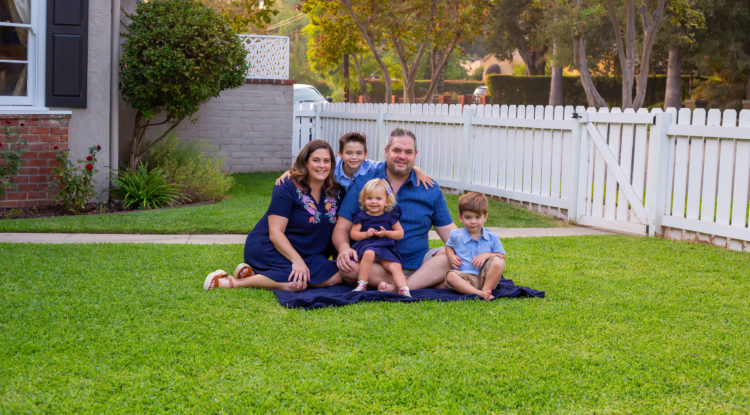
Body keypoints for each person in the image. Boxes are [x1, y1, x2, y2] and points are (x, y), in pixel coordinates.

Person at [203, 140, 343, 291]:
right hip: (270, 247)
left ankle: (259, 275)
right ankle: (234, 282)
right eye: (316, 160)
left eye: (326, 161)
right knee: (295, 285)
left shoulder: (337, 192)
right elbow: (275, 233)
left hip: (309, 253)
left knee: (337, 277)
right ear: (306, 162)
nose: (322, 165)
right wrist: (297, 261)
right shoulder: (286, 186)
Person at [333, 127, 457, 292]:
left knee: (448, 257)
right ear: (386, 151)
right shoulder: (364, 182)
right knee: (348, 265)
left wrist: (477, 248)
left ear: (415, 155)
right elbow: (341, 228)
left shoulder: (429, 188)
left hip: (418, 263)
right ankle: (417, 283)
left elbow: (449, 232)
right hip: (375, 264)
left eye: (408, 152)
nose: (402, 156)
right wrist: (343, 248)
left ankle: (401, 286)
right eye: (397, 150)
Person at [276, 132, 433, 191]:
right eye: (348, 153)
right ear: (340, 154)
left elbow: (394, 163)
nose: (354, 157)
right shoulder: (334, 166)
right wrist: (288, 172)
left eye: (358, 153)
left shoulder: (370, 166)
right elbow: (308, 166)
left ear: (365, 155)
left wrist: (417, 170)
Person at [350, 178, 410, 296]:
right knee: (369, 253)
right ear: (363, 200)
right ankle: (361, 284)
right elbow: (353, 234)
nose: (373, 202)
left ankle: (404, 289)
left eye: (378, 198)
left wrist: (386, 233)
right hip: (368, 245)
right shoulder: (361, 216)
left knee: (395, 266)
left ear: (387, 201)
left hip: (385, 247)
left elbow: (400, 234)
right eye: (369, 198)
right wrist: (365, 234)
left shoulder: (390, 216)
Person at [444, 192, 506, 301]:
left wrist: (487, 255)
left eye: (477, 217)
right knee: (450, 276)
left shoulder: (492, 237)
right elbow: (448, 246)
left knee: (498, 262)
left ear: (485, 217)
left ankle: (486, 289)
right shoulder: (456, 235)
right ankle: (480, 293)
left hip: (485, 277)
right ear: (461, 218)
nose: (473, 222)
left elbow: (501, 256)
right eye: (468, 217)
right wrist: (451, 256)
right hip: (464, 277)